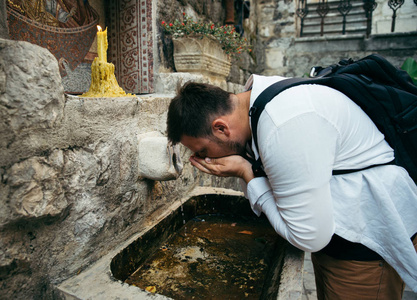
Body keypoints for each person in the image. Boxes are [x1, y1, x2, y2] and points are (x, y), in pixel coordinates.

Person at [166, 75, 417, 299]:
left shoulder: (281, 127)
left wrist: (245, 171)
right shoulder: (257, 99)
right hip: (341, 227)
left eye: (203, 151)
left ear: (221, 128)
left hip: (364, 242)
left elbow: (309, 237)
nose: (205, 159)